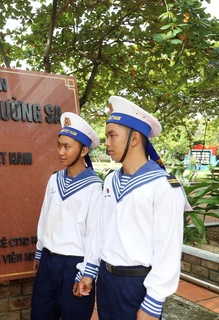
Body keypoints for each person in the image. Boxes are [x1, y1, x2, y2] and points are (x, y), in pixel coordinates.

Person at [75, 96, 189, 320]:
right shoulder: (109, 181)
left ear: (135, 138)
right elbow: (99, 231)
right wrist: (89, 271)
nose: (106, 142)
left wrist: (153, 302)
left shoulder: (164, 186)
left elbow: (168, 250)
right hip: (106, 281)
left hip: (137, 285)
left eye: (112, 135)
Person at [31, 112, 103, 320]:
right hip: (48, 261)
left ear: (84, 150)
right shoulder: (55, 180)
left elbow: (94, 234)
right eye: (59, 145)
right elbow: (45, 217)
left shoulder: (94, 187)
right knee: (40, 315)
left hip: (74, 265)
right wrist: (39, 250)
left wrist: (86, 272)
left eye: (67, 147)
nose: (61, 152)